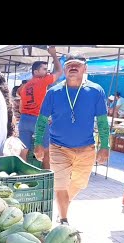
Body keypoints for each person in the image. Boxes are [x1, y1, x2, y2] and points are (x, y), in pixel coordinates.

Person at [33, 53, 110, 225]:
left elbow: (103, 121)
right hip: (58, 147)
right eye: (69, 65)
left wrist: (105, 145)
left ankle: (62, 206)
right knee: (60, 185)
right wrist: (38, 143)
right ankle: (64, 221)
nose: (73, 67)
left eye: (77, 65)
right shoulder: (53, 92)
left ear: (85, 68)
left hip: (86, 148)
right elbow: (42, 120)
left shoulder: (96, 91)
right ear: (65, 69)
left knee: (79, 184)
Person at [17, 46, 63, 169]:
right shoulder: (42, 81)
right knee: (46, 151)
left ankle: (23, 175)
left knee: (23, 151)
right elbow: (59, 72)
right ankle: (46, 178)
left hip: (23, 120)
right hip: (38, 120)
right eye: (44, 69)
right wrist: (54, 55)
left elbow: (20, 107)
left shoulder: (25, 86)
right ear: (36, 72)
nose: (47, 72)